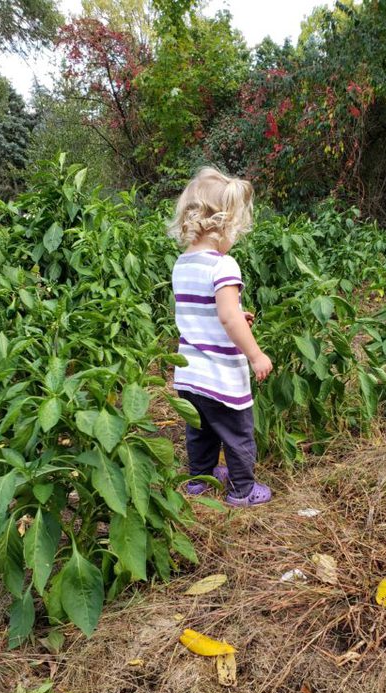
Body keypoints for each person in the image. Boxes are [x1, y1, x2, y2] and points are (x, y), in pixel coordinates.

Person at [168, 167, 273, 507]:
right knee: (237, 433)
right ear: (224, 225)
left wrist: (234, 315)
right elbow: (228, 317)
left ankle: (199, 480)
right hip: (221, 377)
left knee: (199, 431)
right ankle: (242, 491)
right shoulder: (223, 265)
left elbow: (201, 311)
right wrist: (256, 355)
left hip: (189, 375)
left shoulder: (182, 263)